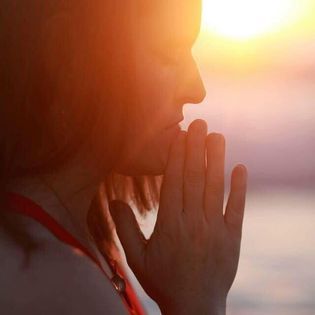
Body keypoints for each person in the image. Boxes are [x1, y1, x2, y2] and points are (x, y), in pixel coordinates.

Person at [0, 1, 247, 314]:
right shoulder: (58, 281)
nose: (196, 89)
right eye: (169, 53)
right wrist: (198, 301)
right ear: (68, 57)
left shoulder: (84, 237)